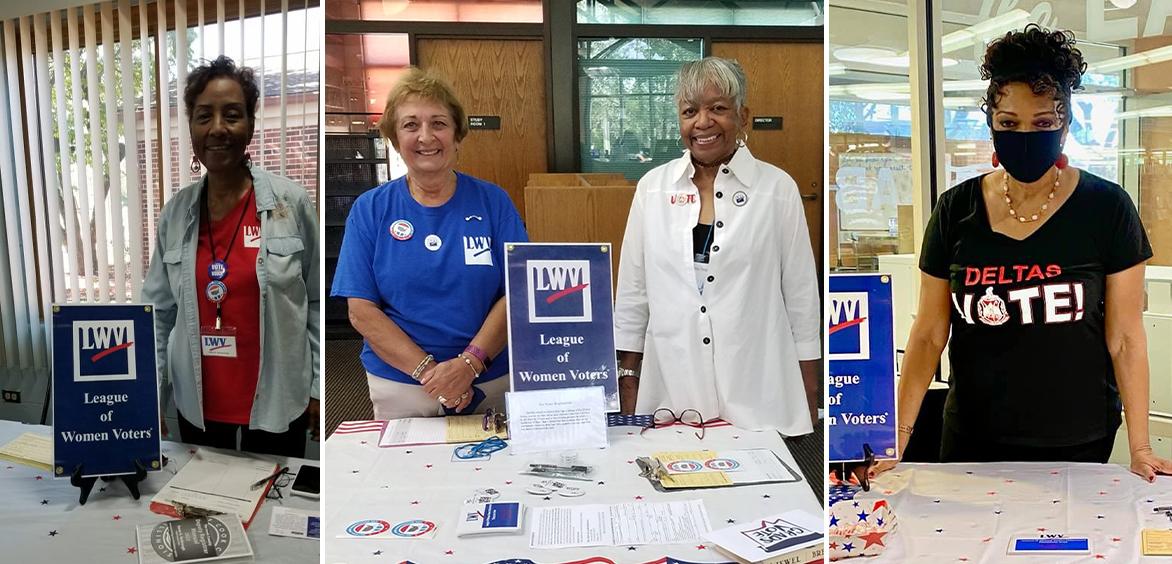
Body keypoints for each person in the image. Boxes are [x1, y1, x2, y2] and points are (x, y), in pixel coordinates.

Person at [874, 25, 1172, 481]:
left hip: (1077, 438)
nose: (1025, 135)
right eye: (1009, 124)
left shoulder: (1107, 208)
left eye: (1043, 124)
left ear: (1065, 127)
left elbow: (1126, 338)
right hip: (971, 435)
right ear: (991, 125)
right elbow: (929, 333)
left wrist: (1141, 446)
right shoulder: (956, 209)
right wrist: (897, 434)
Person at [612, 56, 821, 434]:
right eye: (690, 111)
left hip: (759, 392)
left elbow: (801, 296)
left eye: (718, 108)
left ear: (743, 116)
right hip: (671, 391)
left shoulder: (777, 189)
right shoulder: (652, 189)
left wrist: (809, 385)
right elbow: (633, 291)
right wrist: (628, 378)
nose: (703, 122)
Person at [142, 56, 320, 457]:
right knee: (203, 506)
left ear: (250, 125)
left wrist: (318, 386)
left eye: (232, 115)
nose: (218, 129)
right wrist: (148, 397)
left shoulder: (290, 203)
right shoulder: (175, 214)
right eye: (204, 116)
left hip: (278, 398)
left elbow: (315, 303)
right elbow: (155, 316)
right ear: (191, 127)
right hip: (198, 403)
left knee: (273, 510)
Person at [330, 68, 527, 420]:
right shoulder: (371, 209)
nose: (426, 137)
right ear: (394, 137)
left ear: (456, 134)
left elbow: (517, 291)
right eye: (410, 125)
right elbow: (361, 311)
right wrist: (432, 374)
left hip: (489, 378)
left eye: (438, 123)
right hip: (402, 385)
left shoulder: (494, 202)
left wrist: (468, 365)